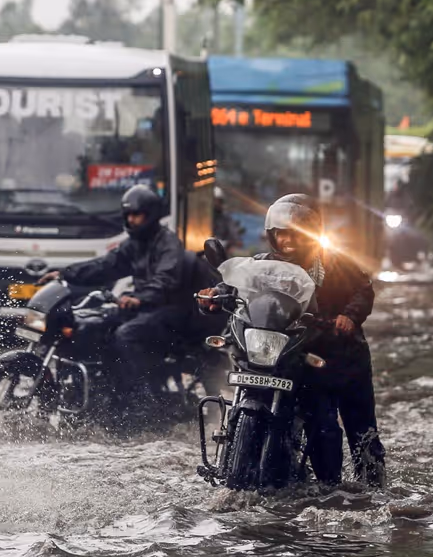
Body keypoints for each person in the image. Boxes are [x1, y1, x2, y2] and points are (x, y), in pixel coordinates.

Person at [202, 194, 386, 486]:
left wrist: (348, 316)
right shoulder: (263, 264)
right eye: (282, 234)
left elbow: (363, 290)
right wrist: (215, 294)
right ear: (272, 235)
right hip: (286, 353)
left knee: (347, 428)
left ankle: (350, 492)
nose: (288, 240)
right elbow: (239, 283)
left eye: (295, 235)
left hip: (336, 355)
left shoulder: (333, 265)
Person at [38, 184, 195, 416]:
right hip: (143, 308)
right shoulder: (134, 245)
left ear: (151, 215)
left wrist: (138, 298)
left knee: (125, 336)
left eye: (137, 215)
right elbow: (104, 266)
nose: (132, 220)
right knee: (88, 325)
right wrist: (65, 273)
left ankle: (138, 403)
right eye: (128, 215)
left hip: (169, 310)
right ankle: (90, 392)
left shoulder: (168, 244)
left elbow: (166, 279)